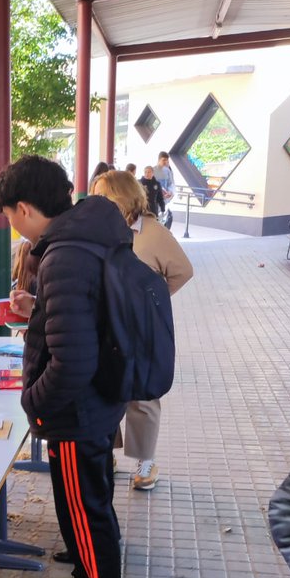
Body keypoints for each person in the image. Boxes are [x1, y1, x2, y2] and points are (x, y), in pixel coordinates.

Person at [0, 155, 132, 578]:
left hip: (77, 411)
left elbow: (72, 361)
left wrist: (34, 402)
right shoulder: (87, 238)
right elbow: (77, 323)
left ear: (25, 208)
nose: (11, 225)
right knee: (89, 507)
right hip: (96, 403)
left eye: (9, 215)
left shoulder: (64, 255)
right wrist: (40, 310)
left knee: (88, 511)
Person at [91, 171, 193, 491]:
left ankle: (145, 461)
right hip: (107, 326)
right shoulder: (99, 230)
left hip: (141, 330)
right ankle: (106, 451)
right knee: (108, 389)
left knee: (143, 395)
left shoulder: (152, 232)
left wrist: (153, 302)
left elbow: (182, 271)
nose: (97, 202)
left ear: (123, 197)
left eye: (103, 196)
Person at [155, 151, 176, 229]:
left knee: (167, 222)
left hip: (165, 203)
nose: (166, 162)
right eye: (164, 160)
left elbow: (171, 184)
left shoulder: (168, 171)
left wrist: (170, 192)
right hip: (156, 204)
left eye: (167, 160)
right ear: (159, 160)